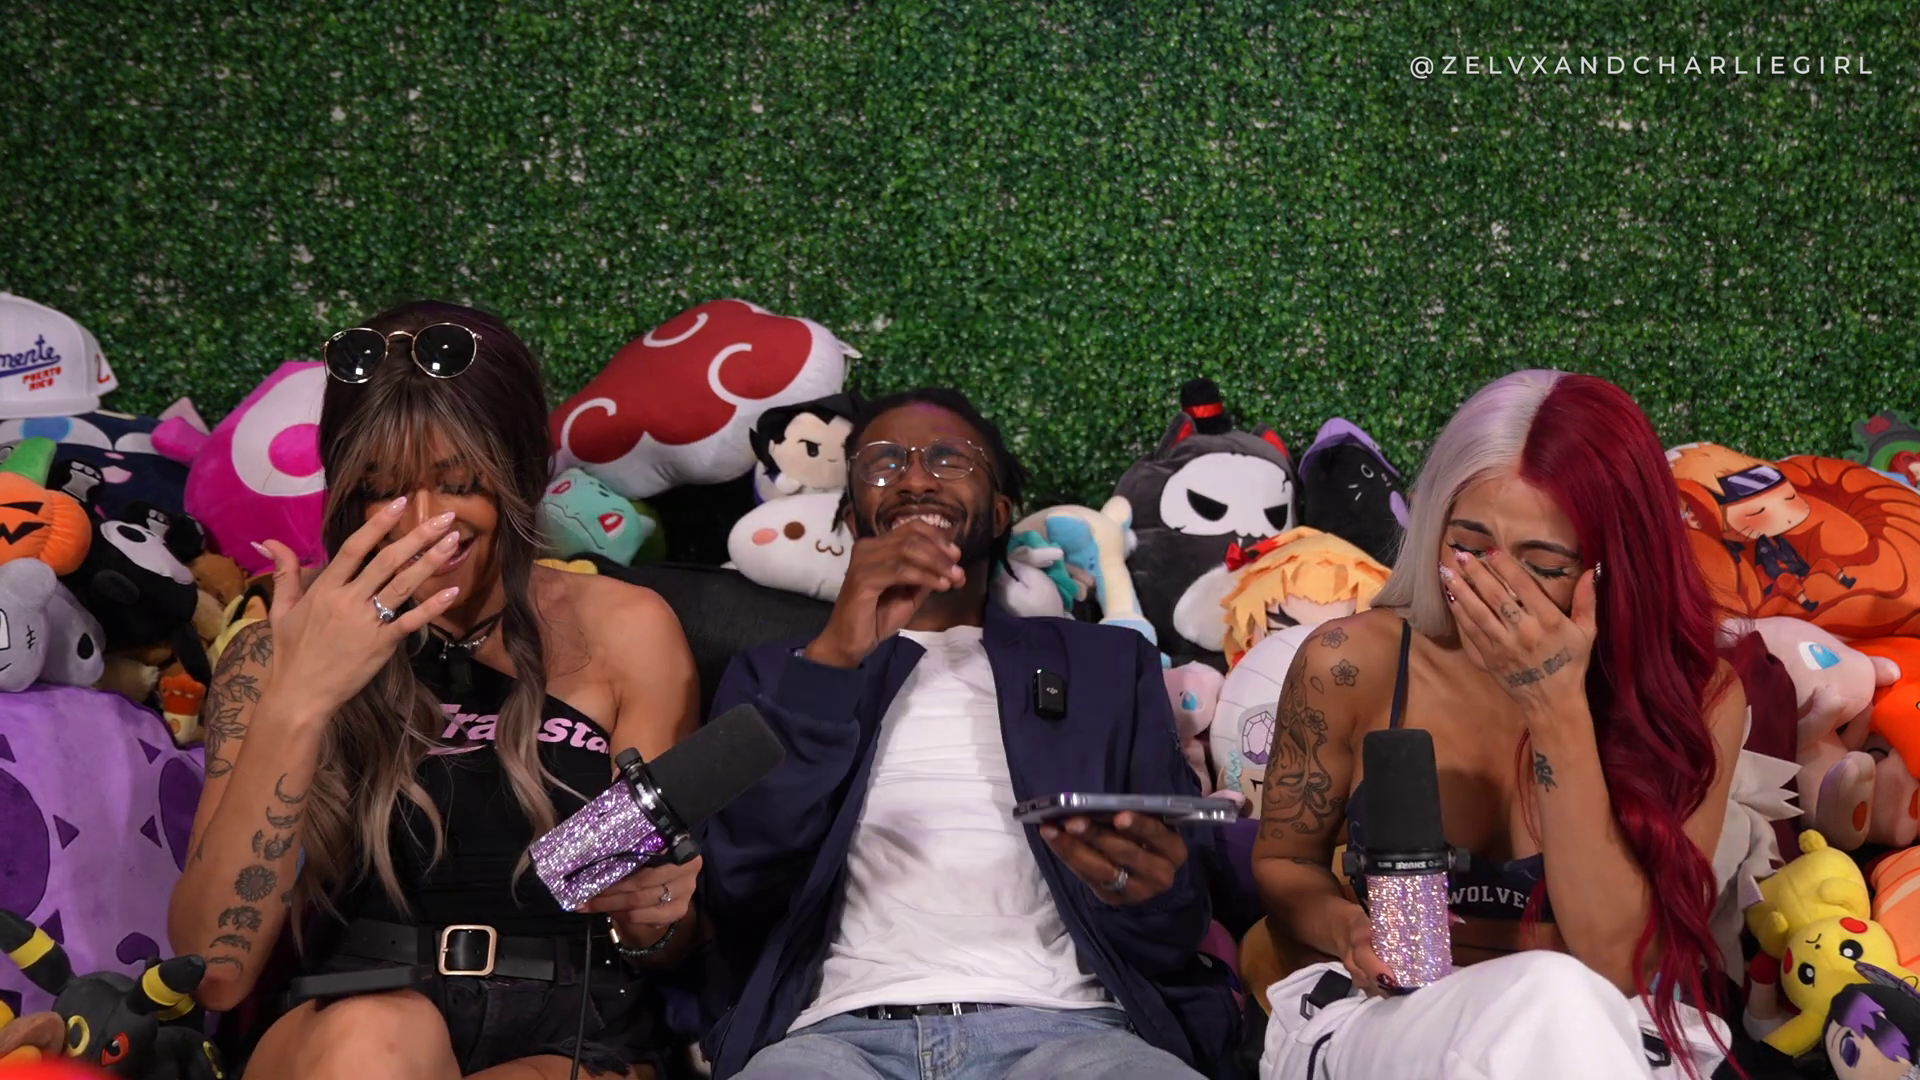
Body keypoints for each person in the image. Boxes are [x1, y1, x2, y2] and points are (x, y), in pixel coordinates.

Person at [166, 301, 703, 1079]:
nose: (423, 522)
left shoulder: (626, 629)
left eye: (456, 483)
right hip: (353, 1013)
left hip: (575, 1021)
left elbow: (658, 940)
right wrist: (299, 697)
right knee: (378, 1038)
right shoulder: (276, 649)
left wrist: (658, 919)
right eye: (382, 489)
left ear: (520, 475)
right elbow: (212, 970)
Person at [694, 388, 1240, 1079]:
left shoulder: (1105, 664)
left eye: (950, 459)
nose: (916, 479)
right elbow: (741, 891)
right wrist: (832, 662)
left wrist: (1149, 894)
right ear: (851, 517)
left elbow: (1175, 926)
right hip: (833, 1039)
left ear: (1002, 512)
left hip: (1073, 1034)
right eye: (884, 463)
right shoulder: (774, 675)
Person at [1252, 370, 1748, 1080]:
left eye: (1542, 565)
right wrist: (1348, 928)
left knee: (1556, 995)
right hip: (1395, 1019)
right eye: (1467, 547)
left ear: (1618, 572)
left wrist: (1555, 709)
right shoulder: (1351, 663)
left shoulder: (1697, 697)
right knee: (1550, 997)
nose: (1495, 586)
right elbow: (1285, 863)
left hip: (1595, 1022)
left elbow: (1620, 964)